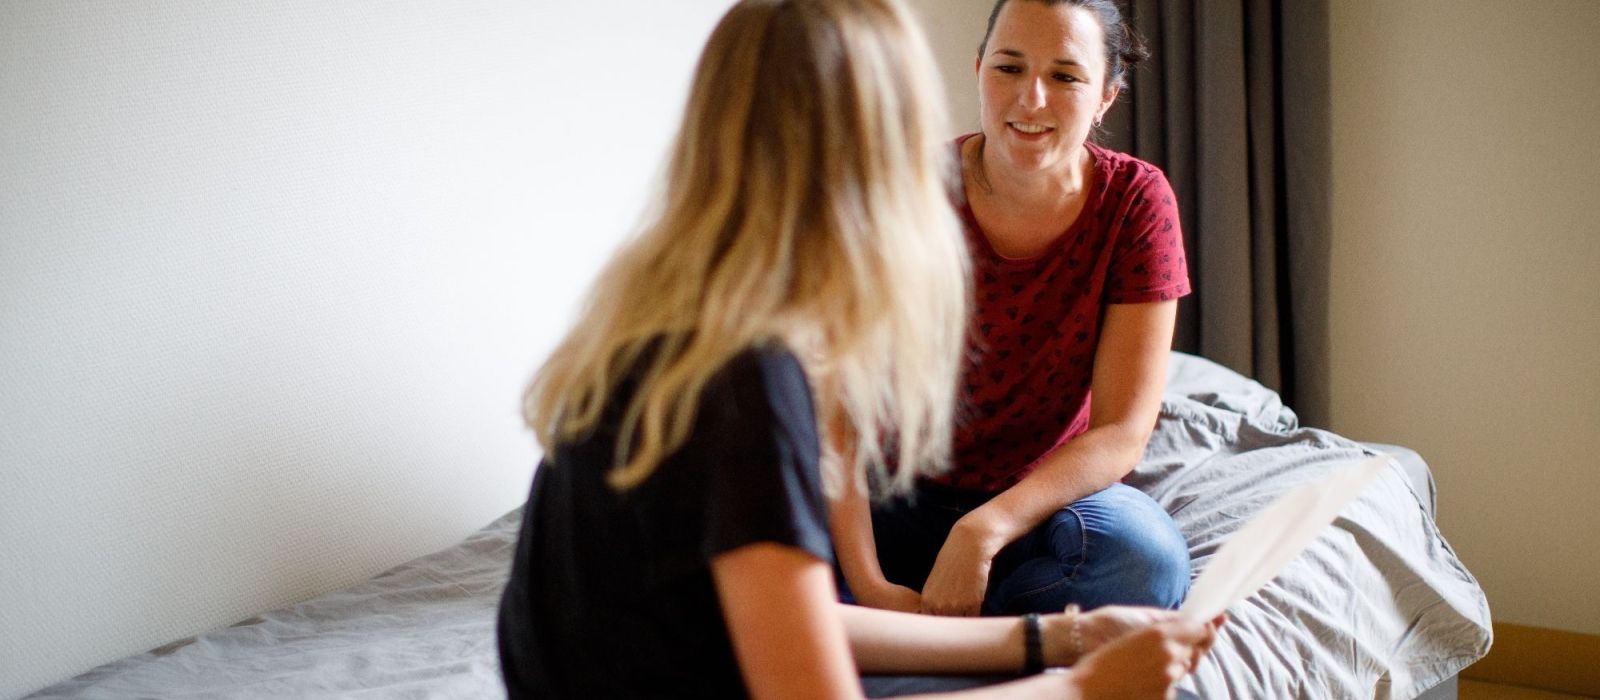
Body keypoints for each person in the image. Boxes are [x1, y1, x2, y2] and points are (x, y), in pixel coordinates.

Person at [496, 0, 1220, 697]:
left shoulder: (665, 325)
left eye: (1064, 75)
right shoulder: (749, 385)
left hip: (953, 544)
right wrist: (1082, 691)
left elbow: (803, 626)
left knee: (1138, 560)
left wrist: (1057, 643)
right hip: (876, 527)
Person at [831, 0, 1195, 618]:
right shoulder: (906, 190)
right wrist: (868, 585)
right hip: (888, 497)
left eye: (1065, 76)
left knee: (1144, 563)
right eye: (1008, 68)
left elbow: (1121, 431)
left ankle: (951, 627)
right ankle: (949, 624)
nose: (1031, 99)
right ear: (978, 71)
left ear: (1106, 94)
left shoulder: (1136, 201)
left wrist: (983, 529)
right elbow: (837, 408)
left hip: (1038, 503)